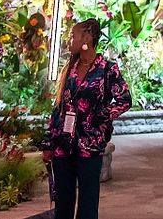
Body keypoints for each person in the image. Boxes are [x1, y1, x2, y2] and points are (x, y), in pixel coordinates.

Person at [40, 18, 132, 219]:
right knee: (62, 202)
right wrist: (48, 142)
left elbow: (125, 100)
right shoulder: (69, 68)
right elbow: (58, 108)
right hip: (63, 146)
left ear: (87, 37)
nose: (69, 40)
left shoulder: (107, 69)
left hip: (90, 146)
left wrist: (101, 117)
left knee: (88, 205)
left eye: (73, 36)